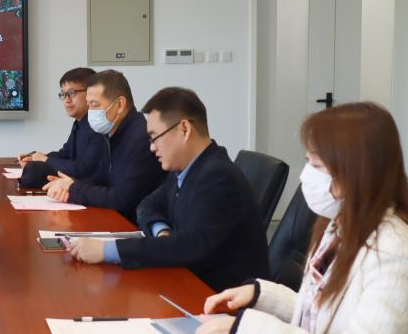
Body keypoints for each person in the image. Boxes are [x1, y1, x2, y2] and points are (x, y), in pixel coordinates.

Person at [195, 103, 408, 334]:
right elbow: (327, 316)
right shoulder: (342, 225)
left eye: (316, 165)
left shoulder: (397, 252)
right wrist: (263, 295)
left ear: (354, 171)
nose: (306, 176)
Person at [67, 87, 269, 291]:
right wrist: (162, 232)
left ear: (184, 129)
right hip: (190, 282)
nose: (152, 147)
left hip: (220, 297)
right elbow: (147, 205)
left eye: (155, 137)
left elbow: (189, 247)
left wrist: (106, 250)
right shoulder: (186, 168)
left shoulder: (218, 176)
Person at [43, 69, 164, 222]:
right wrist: (68, 184)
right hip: (115, 220)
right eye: (88, 105)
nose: (90, 112)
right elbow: (102, 179)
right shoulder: (112, 132)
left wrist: (73, 188)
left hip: (134, 226)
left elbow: (121, 199)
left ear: (120, 104)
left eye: (94, 105)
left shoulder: (141, 139)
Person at [17, 67, 104, 189]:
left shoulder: (99, 126)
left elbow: (85, 169)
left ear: (91, 93)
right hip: (77, 185)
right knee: (33, 169)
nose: (67, 100)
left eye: (72, 93)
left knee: (33, 172)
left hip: (92, 190)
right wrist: (34, 157)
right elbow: (65, 153)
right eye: (63, 94)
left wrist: (45, 160)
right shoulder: (79, 122)